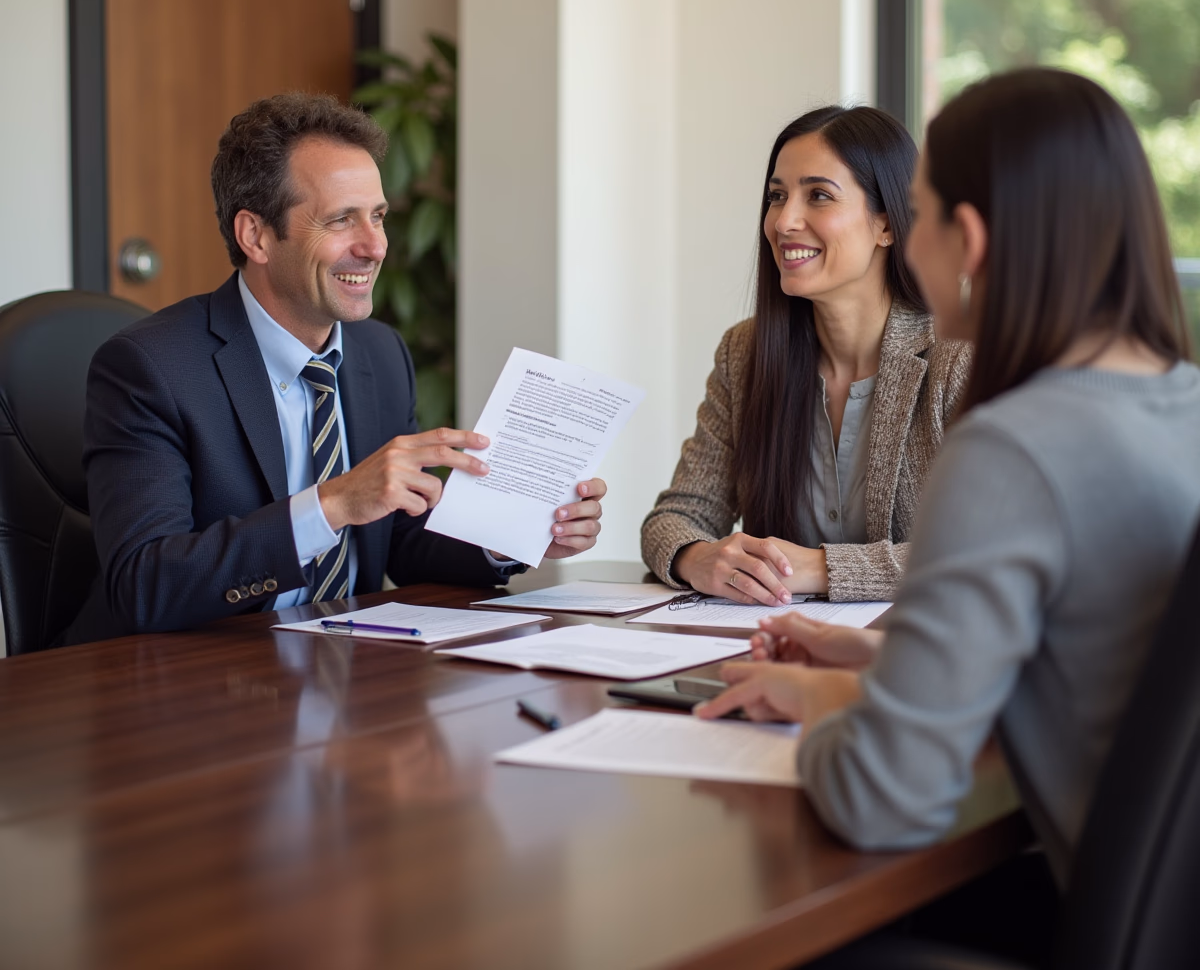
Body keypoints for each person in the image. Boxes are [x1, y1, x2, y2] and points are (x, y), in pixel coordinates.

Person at [698, 69, 1200, 899]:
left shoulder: (1013, 450)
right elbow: (1101, 660)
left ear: (966, 239)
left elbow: (884, 797)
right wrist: (878, 660)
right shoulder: (1183, 406)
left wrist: (817, 702)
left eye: (919, 212)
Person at [63, 93, 605, 643]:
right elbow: (144, 586)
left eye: (378, 217)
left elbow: (399, 540)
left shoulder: (380, 353)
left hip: (341, 660)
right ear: (255, 236)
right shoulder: (150, 367)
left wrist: (509, 539)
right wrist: (334, 504)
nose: (375, 247)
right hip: (194, 671)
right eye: (342, 220)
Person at [641, 106, 970, 606]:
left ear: (886, 224)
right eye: (777, 197)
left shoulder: (961, 355)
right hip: (770, 643)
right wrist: (696, 556)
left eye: (818, 195)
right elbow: (677, 515)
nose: (784, 221)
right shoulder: (744, 353)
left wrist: (818, 568)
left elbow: (993, 547)